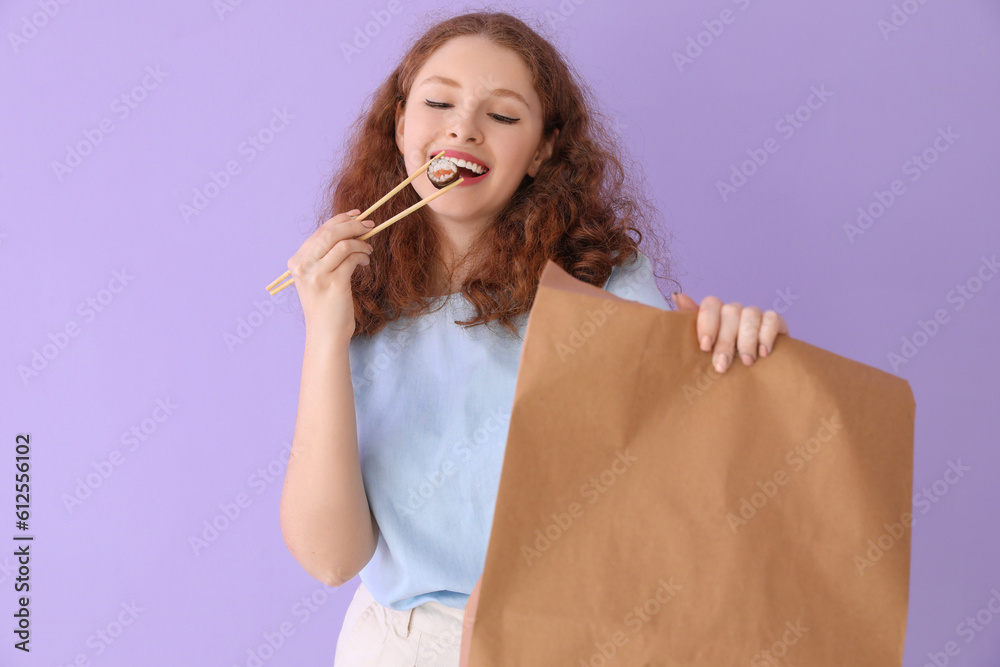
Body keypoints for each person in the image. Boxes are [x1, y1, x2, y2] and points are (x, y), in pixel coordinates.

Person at [278, 11, 789, 667]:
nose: (463, 126)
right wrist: (325, 333)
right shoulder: (357, 297)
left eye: (504, 115)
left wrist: (739, 357)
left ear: (543, 150)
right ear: (402, 124)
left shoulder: (601, 283)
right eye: (439, 102)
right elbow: (329, 558)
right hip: (400, 646)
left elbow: (679, 479)